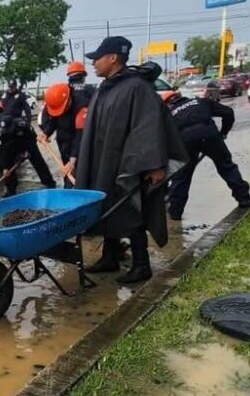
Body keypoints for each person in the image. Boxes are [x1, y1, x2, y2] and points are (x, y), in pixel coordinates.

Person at [76, 36, 188, 284]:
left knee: (131, 207)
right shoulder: (107, 87)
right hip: (104, 161)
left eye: (98, 58)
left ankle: (141, 264)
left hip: (128, 164)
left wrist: (156, 164)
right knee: (106, 206)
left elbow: (150, 127)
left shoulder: (137, 87)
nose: (94, 63)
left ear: (113, 58)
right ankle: (110, 256)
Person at [164, 90, 250, 220]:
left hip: (185, 141)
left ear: (167, 104)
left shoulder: (168, 114)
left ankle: (175, 212)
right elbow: (228, 112)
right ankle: (244, 199)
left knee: (181, 177)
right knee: (226, 167)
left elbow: (164, 140)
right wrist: (223, 132)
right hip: (210, 135)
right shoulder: (200, 101)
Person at [0, 108, 57, 196]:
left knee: (37, 159)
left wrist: (27, 150)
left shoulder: (23, 125)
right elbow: (1, 150)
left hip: (25, 140)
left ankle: (49, 182)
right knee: (6, 165)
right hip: (9, 145)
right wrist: (5, 167)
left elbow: (33, 137)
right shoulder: (1, 134)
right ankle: (11, 189)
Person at [38, 80, 90, 180]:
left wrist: (73, 160)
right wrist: (46, 133)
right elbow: (54, 120)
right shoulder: (57, 103)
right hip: (64, 142)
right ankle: (68, 183)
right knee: (67, 172)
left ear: (68, 99)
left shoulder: (81, 106)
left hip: (80, 145)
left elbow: (81, 136)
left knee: (80, 175)